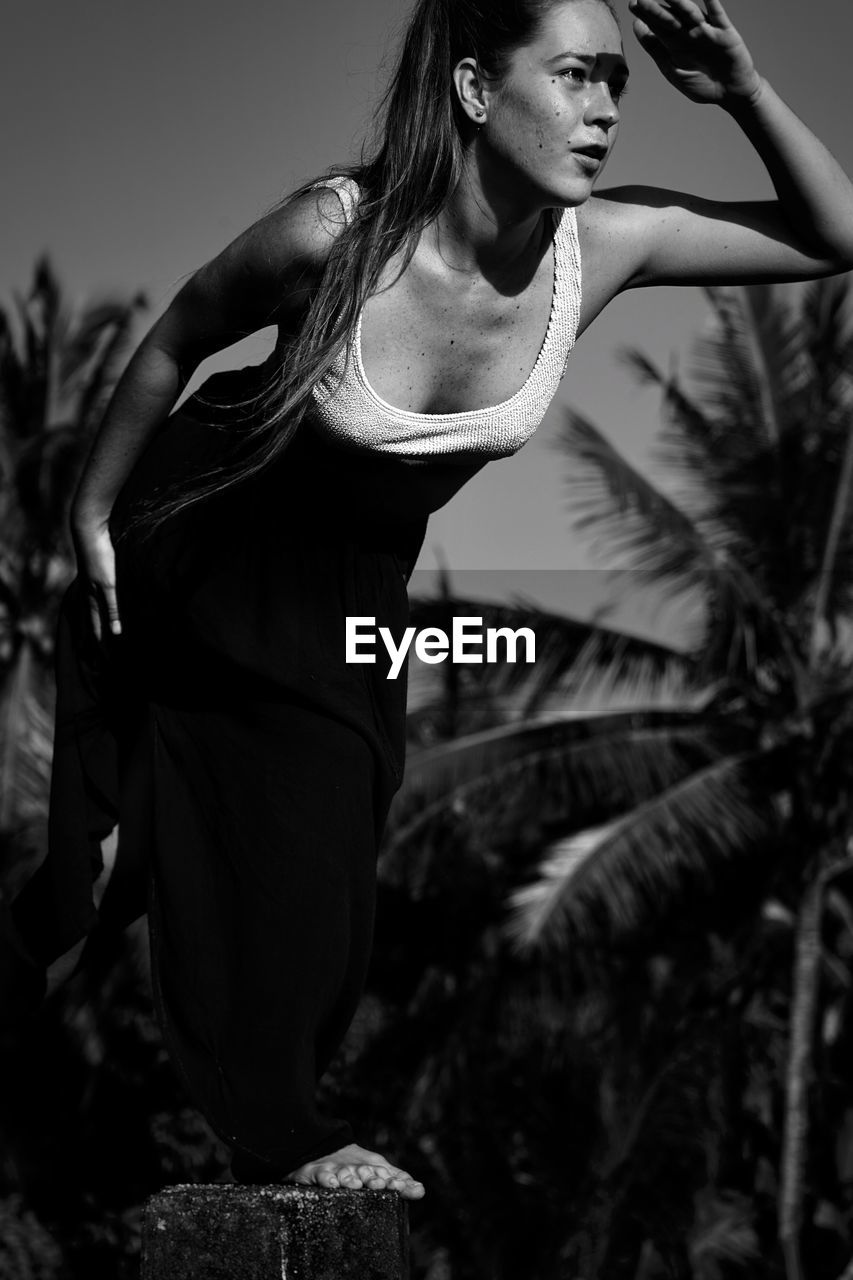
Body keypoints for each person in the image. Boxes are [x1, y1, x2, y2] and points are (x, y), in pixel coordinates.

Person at [5, 0, 853, 1201]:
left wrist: (745, 87)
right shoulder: (333, 234)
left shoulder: (596, 249)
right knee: (294, 851)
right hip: (204, 537)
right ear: (471, 90)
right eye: (572, 76)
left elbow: (834, 235)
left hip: (352, 592)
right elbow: (176, 338)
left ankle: (70, 974)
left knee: (179, 861)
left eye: (617, 81)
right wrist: (88, 510)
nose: (605, 109)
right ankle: (281, 1130)